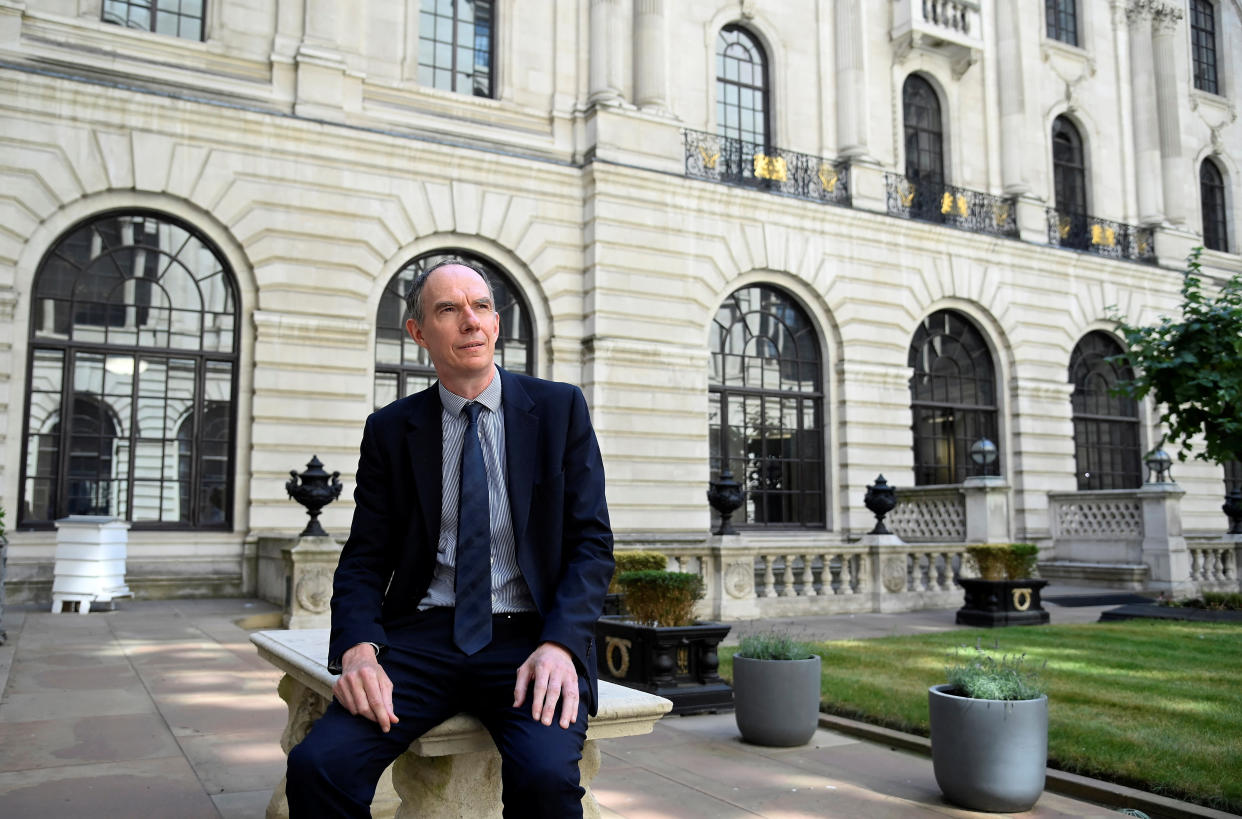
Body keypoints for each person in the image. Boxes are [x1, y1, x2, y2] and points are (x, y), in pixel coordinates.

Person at [286, 258, 614, 817]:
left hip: (530, 639)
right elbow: (365, 558)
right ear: (419, 334)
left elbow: (591, 545)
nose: (470, 320)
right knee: (320, 766)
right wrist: (358, 650)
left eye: (481, 306)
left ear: (496, 324)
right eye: (448, 309)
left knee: (545, 781)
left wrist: (561, 644)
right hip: (421, 639)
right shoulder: (390, 430)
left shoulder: (560, 410)